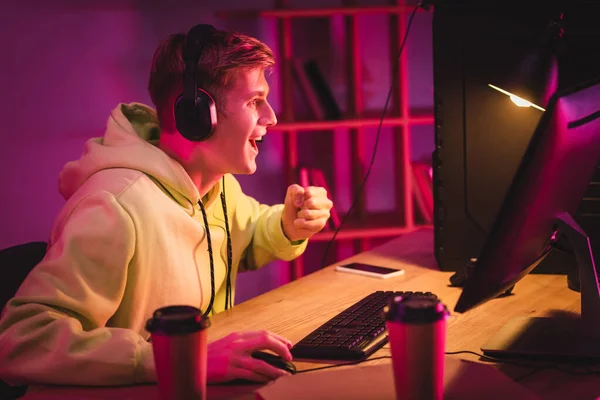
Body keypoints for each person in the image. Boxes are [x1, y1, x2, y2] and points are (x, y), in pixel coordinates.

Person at [0, 24, 333, 387]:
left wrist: (287, 224)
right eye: (255, 101)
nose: (271, 117)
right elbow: (21, 340)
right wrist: (167, 358)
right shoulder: (113, 208)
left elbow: (248, 233)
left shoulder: (216, 186)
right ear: (196, 113)